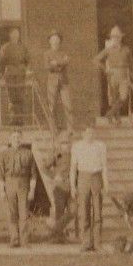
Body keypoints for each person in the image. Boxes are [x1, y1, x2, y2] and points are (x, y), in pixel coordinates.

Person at [70, 124, 109, 252]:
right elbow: (73, 168)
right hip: (83, 178)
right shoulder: (77, 146)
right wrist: (72, 185)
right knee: (84, 211)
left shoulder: (101, 146)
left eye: (92, 132)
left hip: (96, 177)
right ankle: (86, 242)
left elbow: (104, 166)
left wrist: (106, 183)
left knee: (98, 211)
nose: (90, 135)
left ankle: (97, 243)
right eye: (87, 133)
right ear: (83, 134)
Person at [0, 128, 38, 248]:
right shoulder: (4, 153)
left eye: (19, 137)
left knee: (24, 213)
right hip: (10, 182)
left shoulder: (28, 153)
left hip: (24, 183)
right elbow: (0, 174)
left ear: (22, 139)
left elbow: (33, 174)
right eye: (14, 137)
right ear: (10, 139)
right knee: (11, 213)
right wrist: (1, 190)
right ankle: (14, 239)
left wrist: (32, 190)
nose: (17, 139)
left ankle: (24, 241)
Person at [95, 26, 133, 123]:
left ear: (121, 38)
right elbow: (96, 60)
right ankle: (117, 119)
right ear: (111, 38)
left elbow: (131, 64)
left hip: (124, 75)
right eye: (114, 37)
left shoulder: (126, 49)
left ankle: (110, 114)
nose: (116, 39)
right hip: (113, 75)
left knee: (123, 97)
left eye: (118, 37)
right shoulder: (108, 50)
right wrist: (105, 69)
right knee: (114, 98)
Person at [37, 130, 73, 239]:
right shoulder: (56, 155)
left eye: (67, 142)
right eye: (63, 143)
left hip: (72, 188)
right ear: (60, 144)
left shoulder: (75, 154)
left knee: (74, 210)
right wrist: (54, 176)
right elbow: (44, 167)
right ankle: (59, 238)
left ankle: (54, 230)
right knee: (59, 213)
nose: (65, 145)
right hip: (59, 188)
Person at [0, 28, 30, 126]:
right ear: (10, 35)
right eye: (13, 34)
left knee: (21, 97)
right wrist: (1, 75)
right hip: (10, 74)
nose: (15, 36)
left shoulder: (23, 47)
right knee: (12, 97)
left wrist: (27, 70)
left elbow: (28, 61)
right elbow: (2, 62)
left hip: (21, 74)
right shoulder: (5, 47)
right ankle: (13, 119)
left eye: (17, 34)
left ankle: (21, 119)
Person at [43, 31, 73, 132]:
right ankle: (53, 128)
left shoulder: (64, 53)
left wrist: (55, 63)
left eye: (57, 40)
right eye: (53, 40)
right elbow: (47, 67)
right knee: (52, 105)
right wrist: (61, 63)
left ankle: (70, 128)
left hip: (64, 81)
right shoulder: (47, 53)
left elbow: (67, 61)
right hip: (52, 82)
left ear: (60, 41)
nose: (55, 42)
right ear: (50, 42)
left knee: (68, 105)